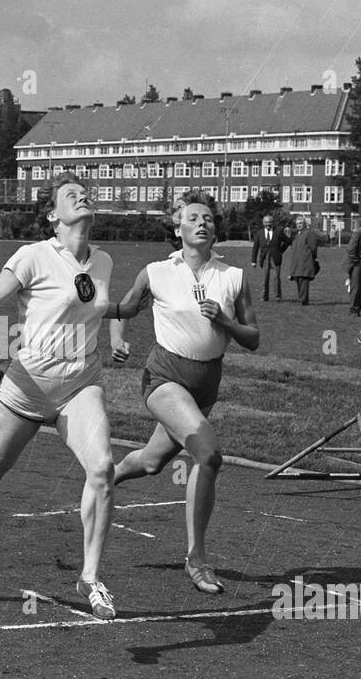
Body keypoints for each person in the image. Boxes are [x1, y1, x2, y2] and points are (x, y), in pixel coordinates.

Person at [0, 171, 127, 619]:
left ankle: (91, 577)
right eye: (70, 195)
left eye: (84, 192)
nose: (81, 197)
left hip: (81, 384)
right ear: (52, 215)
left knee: (102, 470)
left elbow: (100, 308)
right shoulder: (33, 256)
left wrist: (118, 328)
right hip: (28, 386)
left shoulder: (105, 261)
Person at [110, 190, 259, 594]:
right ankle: (197, 560)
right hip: (164, 378)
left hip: (206, 385)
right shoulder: (156, 271)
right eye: (193, 217)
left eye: (209, 217)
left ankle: (105, 478)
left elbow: (254, 338)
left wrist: (226, 322)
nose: (203, 222)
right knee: (208, 454)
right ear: (178, 227)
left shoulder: (233, 277)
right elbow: (124, 308)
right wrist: (112, 334)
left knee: (153, 462)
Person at [251, 213, 289, 301]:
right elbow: (255, 247)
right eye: (266, 222)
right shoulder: (259, 233)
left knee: (276, 277)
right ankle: (264, 297)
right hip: (264, 258)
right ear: (263, 223)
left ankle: (277, 296)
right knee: (265, 277)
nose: (268, 224)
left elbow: (288, 241)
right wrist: (253, 261)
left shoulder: (278, 231)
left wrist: (281, 251)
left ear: (273, 223)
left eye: (270, 222)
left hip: (276, 257)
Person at [285, 218, 320, 304]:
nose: (299, 225)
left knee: (304, 281)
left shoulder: (308, 233)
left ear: (304, 224)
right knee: (299, 281)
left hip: (305, 262)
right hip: (297, 263)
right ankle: (302, 299)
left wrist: (313, 257)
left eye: (300, 223)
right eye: (297, 224)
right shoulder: (297, 235)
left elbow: (313, 246)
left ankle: (303, 300)